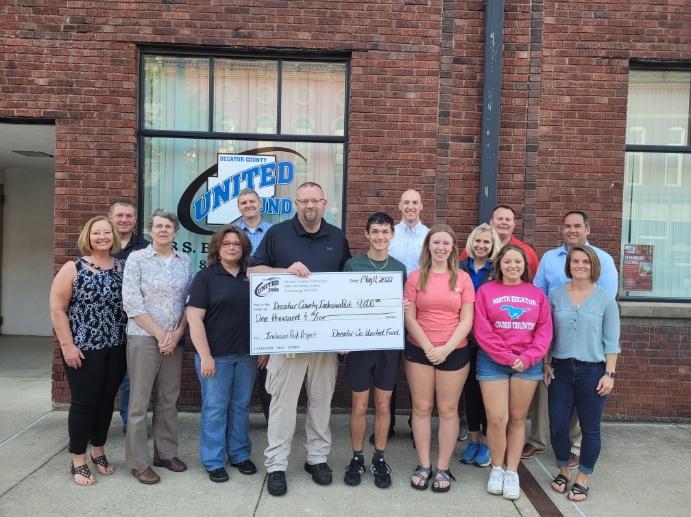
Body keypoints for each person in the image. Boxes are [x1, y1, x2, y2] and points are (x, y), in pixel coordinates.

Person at [250, 181, 351, 496]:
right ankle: (276, 464)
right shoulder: (277, 234)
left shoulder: (337, 237)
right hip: (288, 339)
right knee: (282, 404)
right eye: (304, 201)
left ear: (324, 204)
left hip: (324, 340)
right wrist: (284, 271)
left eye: (315, 201)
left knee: (321, 402)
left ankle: (317, 459)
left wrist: (345, 333)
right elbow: (252, 273)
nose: (310, 206)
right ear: (296, 204)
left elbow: (347, 285)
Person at [522, 210, 618, 466]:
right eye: (567, 226)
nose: (572, 230)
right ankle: (538, 439)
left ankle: (575, 446)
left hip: (588, 340)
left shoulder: (603, 259)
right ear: (562, 229)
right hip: (553, 335)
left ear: (588, 229)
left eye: (577, 226)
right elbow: (539, 295)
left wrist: (610, 371)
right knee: (548, 394)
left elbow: (606, 304)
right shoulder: (549, 258)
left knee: (583, 401)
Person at [49, 215, 126, 486]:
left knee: (106, 402)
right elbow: (57, 308)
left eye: (107, 232)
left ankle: (98, 450)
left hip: (116, 347)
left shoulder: (122, 267)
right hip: (83, 348)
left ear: (114, 236)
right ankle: (78, 459)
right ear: (88, 237)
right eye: (97, 233)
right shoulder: (74, 267)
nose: (102, 237)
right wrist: (67, 345)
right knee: (84, 404)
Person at [187, 225, 267, 483]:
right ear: (217, 248)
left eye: (236, 243)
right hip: (215, 357)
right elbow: (194, 319)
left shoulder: (250, 277)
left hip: (246, 356)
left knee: (241, 406)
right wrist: (205, 356)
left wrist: (263, 348)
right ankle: (213, 460)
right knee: (215, 408)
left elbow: (264, 313)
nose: (232, 247)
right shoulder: (206, 277)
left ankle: (239, 454)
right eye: (226, 243)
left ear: (244, 248)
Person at [473, 244, 552, 500]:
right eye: (507, 261)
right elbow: (481, 330)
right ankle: (497, 468)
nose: (512, 266)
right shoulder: (486, 291)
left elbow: (544, 331)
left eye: (517, 261)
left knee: (518, 419)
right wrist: (507, 357)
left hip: (527, 364)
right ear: (499, 264)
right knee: (497, 419)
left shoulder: (536, 294)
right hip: (492, 362)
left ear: (524, 266)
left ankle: (512, 471)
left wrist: (527, 358)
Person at [122, 209, 192, 485]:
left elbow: (189, 301)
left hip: (173, 339)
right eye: (158, 226)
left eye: (168, 227)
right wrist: (161, 334)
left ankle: (165, 453)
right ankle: (139, 463)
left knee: (168, 398)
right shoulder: (137, 259)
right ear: (150, 230)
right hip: (143, 337)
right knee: (139, 402)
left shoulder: (184, 260)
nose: (163, 230)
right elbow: (131, 302)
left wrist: (178, 333)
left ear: (175, 232)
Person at [546, 245, 620, 503]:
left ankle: (582, 478)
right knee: (557, 424)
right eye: (575, 261)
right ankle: (564, 469)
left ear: (593, 266)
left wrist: (609, 374)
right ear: (569, 265)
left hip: (593, 371)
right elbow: (547, 334)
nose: (580, 265)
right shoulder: (555, 296)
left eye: (585, 262)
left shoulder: (606, 300)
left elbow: (612, 342)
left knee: (590, 427)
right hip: (561, 369)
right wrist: (546, 363)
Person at [404, 224, 475, 493]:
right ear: (428, 247)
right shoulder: (415, 278)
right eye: (436, 243)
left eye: (446, 243)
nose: (441, 248)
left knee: (448, 410)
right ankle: (423, 465)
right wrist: (428, 347)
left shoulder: (463, 279)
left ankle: (443, 467)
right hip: (418, 350)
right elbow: (409, 316)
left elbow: (466, 319)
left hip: (454, 351)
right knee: (421, 408)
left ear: (453, 248)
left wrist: (445, 349)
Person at [342, 212, 407, 489]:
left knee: (382, 404)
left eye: (385, 232)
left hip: (387, 347)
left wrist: (404, 307)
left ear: (392, 235)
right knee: (359, 405)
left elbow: (402, 307)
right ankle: (357, 457)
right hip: (359, 347)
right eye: (375, 232)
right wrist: (342, 337)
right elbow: (342, 302)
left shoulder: (399, 268)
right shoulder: (352, 265)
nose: (380, 237)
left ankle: (379, 457)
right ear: (367, 234)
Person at [382, 188, 429, 442]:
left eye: (415, 202)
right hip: (390, 307)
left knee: (417, 366)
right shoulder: (390, 234)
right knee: (389, 365)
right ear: (399, 206)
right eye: (406, 202)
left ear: (421, 206)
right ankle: (386, 423)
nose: (410, 206)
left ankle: (416, 423)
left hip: (420, 310)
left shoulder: (429, 236)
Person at [457, 223, 501, 468]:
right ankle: (473, 441)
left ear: (493, 245)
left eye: (486, 241)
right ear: (471, 243)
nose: (481, 245)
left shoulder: (498, 270)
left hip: (489, 341)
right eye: (478, 241)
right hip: (464, 339)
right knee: (470, 392)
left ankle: (486, 443)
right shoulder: (459, 268)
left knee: (488, 394)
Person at [108, 199, 148, 434]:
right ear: (110, 218)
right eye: (119, 215)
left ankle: (129, 422)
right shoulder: (100, 243)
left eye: (129, 216)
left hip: (136, 321)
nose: (124, 220)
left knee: (130, 377)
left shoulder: (145, 248)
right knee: (101, 375)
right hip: (105, 321)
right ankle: (95, 424)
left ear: (135, 220)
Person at [234, 188, 273, 423]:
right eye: (243, 202)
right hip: (237, 303)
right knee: (241, 369)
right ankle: (238, 424)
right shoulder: (231, 233)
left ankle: (272, 424)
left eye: (252, 201)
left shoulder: (274, 232)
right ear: (239, 207)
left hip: (267, 304)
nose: (248, 205)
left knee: (268, 374)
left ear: (260, 204)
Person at [460, 205, 539, 279]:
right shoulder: (474, 249)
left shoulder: (527, 251)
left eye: (508, 219)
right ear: (491, 222)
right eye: (500, 219)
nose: (504, 222)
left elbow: (535, 280)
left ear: (513, 224)